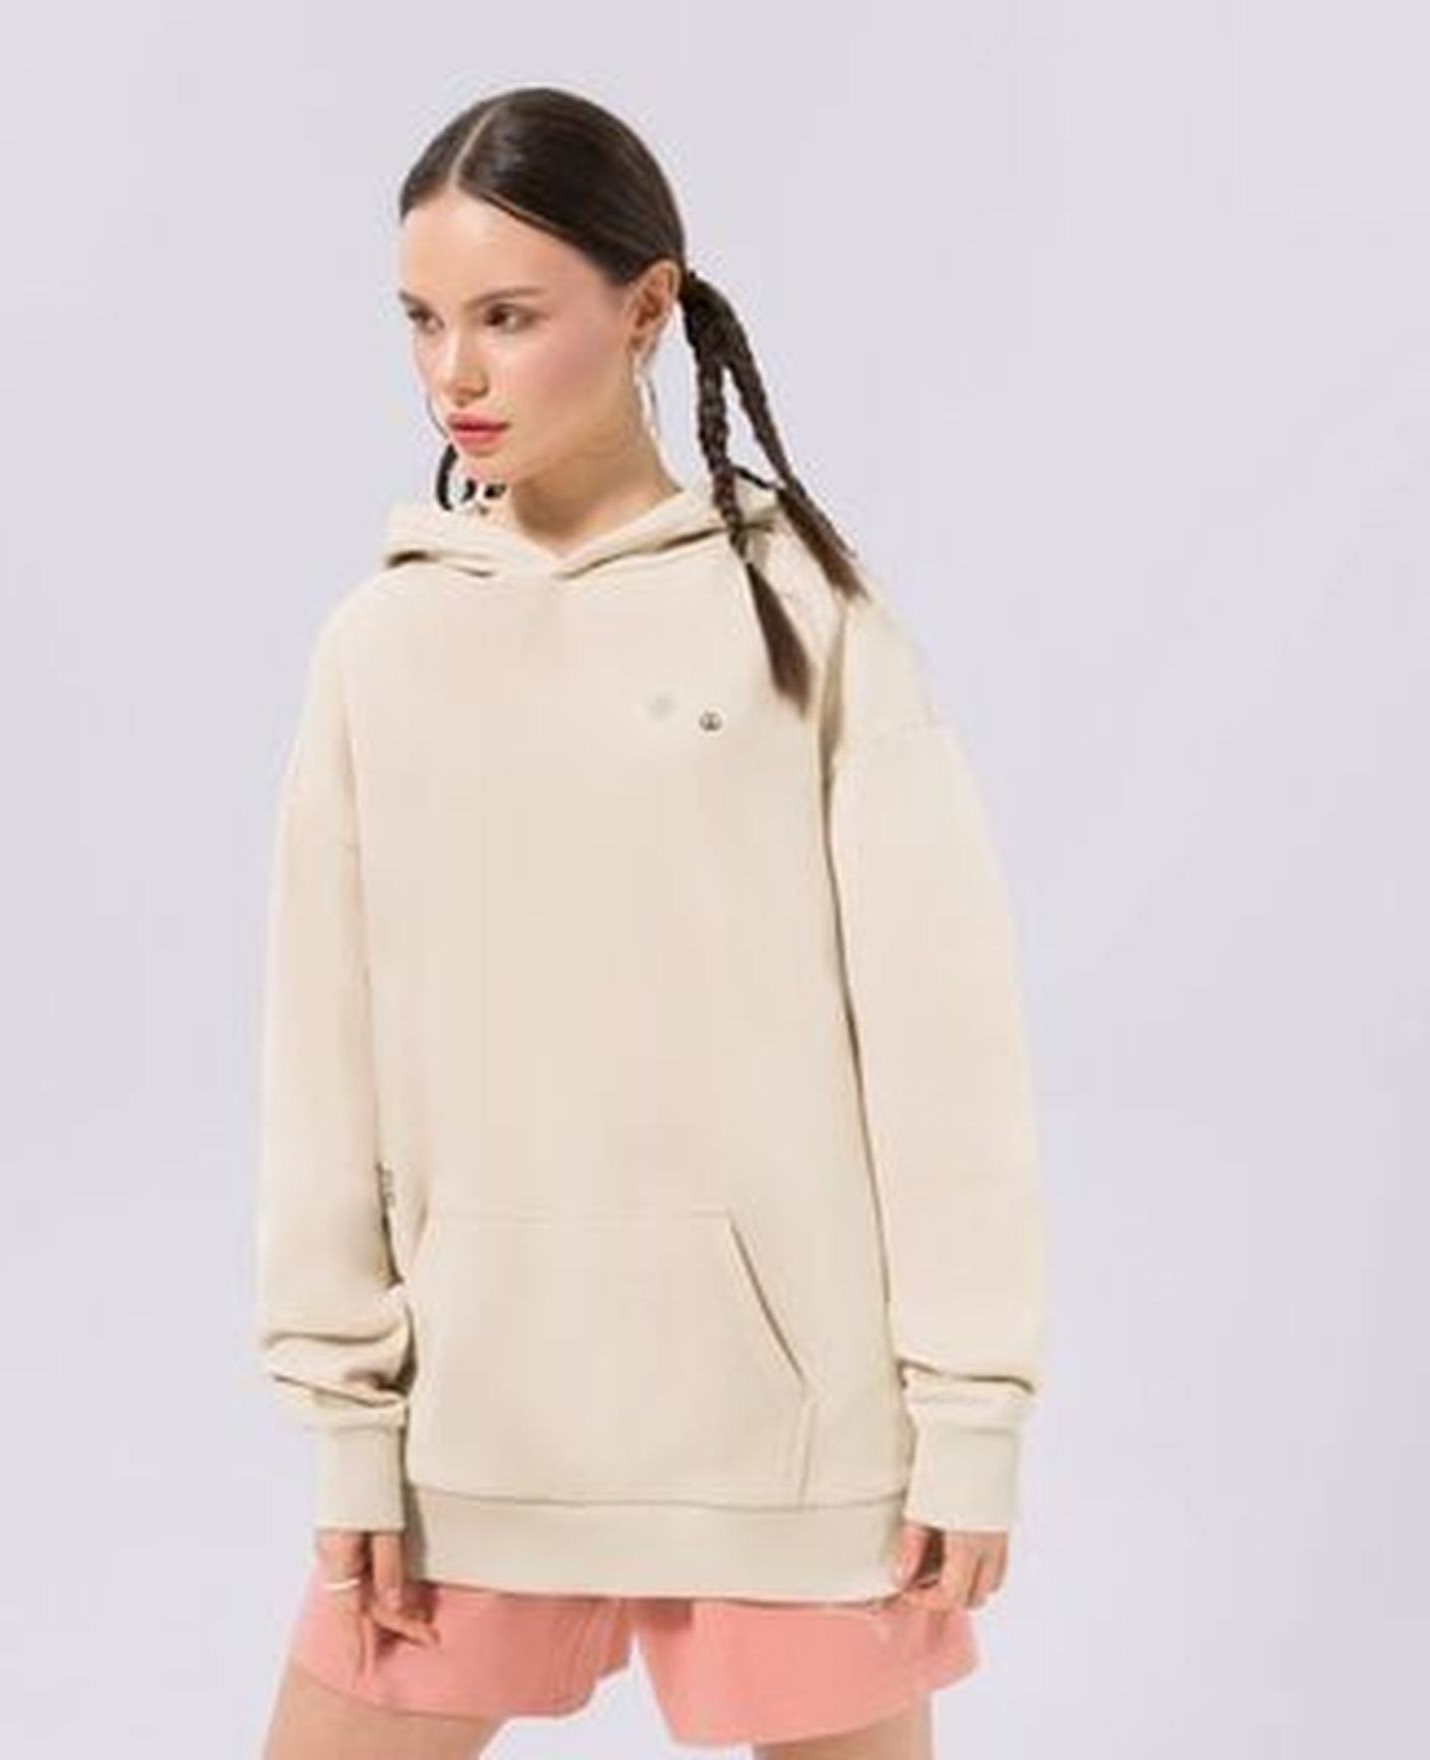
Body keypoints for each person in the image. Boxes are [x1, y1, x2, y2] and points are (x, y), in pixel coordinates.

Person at [253, 85, 1047, 1760]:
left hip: (788, 1435)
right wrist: (349, 1428)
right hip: (477, 1424)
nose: (454, 373)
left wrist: (970, 1415)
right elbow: (324, 1066)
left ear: (646, 306)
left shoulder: (801, 612)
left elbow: (944, 1045)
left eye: (507, 317)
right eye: (422, 322)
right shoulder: (381, 647)